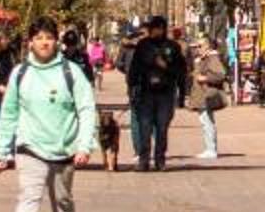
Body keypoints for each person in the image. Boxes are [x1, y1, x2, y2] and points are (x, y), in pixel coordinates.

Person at [0, 18, 99, 212]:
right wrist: (1, 151)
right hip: (29, 146)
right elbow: (9, 114)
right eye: (39, 38)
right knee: (28, 196)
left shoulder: (71, 72)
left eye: (49, 38)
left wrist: (85, 145)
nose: (44, 43)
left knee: (62, 200)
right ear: (30, 42)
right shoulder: (21, 73)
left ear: (56, 42)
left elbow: (86, 109)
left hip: (64, 148)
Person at [124, 15, 187, 171]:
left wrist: (181, 95)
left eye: (160, 28)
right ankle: (144, 160)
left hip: (165, 93)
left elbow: (181, 71)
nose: (157, 32)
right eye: (154, 29)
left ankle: (160, 160)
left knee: (162, 128)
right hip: (146, 92)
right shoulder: (143, 45)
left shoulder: (172, 47)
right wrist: (132, 87)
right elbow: (134, 68)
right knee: (144, 127)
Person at [189, 33, 229, 164]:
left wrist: (205, 78)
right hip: (202, 95)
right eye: (196, 46)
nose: (197, 49)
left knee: (207, 122)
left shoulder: (212, 58)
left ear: (207, 46)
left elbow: (221, 75)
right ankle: (209, 148)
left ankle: (211, 149)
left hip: (207, 95)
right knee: (205, 121)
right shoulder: (201, 59)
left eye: (200, 46)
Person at [93, 39, 128, 168]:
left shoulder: (99, 48)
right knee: (104, 146)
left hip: (112, 130)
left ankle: (114, 161)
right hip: (97, 63)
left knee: (114, 146)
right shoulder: (95, 48)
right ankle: (105, 161)